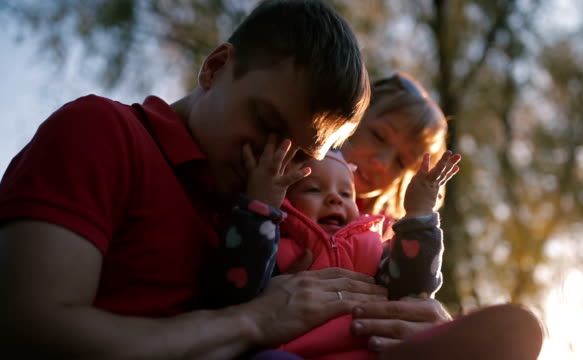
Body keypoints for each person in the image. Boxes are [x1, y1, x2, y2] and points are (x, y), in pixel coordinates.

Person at [0, 1, 414, 358]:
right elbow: (30, 333)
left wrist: (416, 327)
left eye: (303, 157)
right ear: (215, 68)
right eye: (267, 123)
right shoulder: (102, 133)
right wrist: (252, 320)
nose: (274, 161)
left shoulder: (286, 213)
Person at [220, 146, 460, 359]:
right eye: (313, 189)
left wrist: (418, 214)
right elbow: (238, 285)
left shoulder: (372, 248)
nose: (335, 198)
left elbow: (413, 287)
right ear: (287, 201)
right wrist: (261, 207)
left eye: (346, 194)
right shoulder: (276, 243)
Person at [341, 72, 449, 221]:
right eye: (379, 136)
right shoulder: (299, 171)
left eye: (401, 162)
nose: (383, 163)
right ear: (354, 113)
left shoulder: (381, 235)